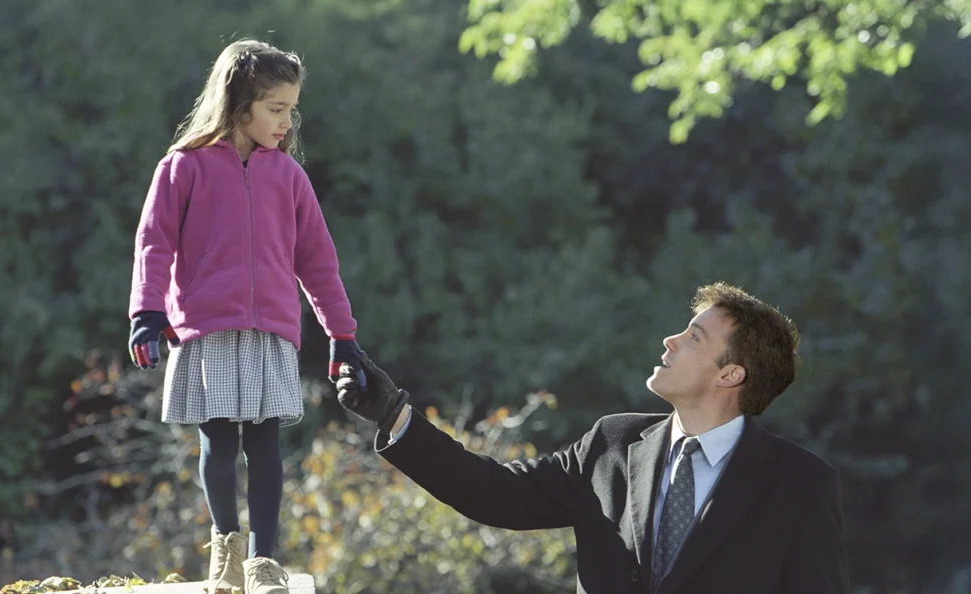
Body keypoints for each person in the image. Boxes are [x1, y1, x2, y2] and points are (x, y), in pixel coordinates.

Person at [336, 282, 849, 594]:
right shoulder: (612, 443)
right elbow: (496, 493)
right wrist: (392, 414)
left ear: (730, 375)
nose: (671, 340)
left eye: (694, 337)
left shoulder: (800, 485)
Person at [128, 39, 365, 594]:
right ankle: (225, 554)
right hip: (206, 330)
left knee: (264, 445)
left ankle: (262, 564)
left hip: (271, 333)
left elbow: (319, 262)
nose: (288, 122)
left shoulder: (290, 177)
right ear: (240, 105)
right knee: (218, 444)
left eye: (291, 109)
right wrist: (146, 310)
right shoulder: (181, 167)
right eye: (276, 109)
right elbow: (153, 243)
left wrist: (342, 335)